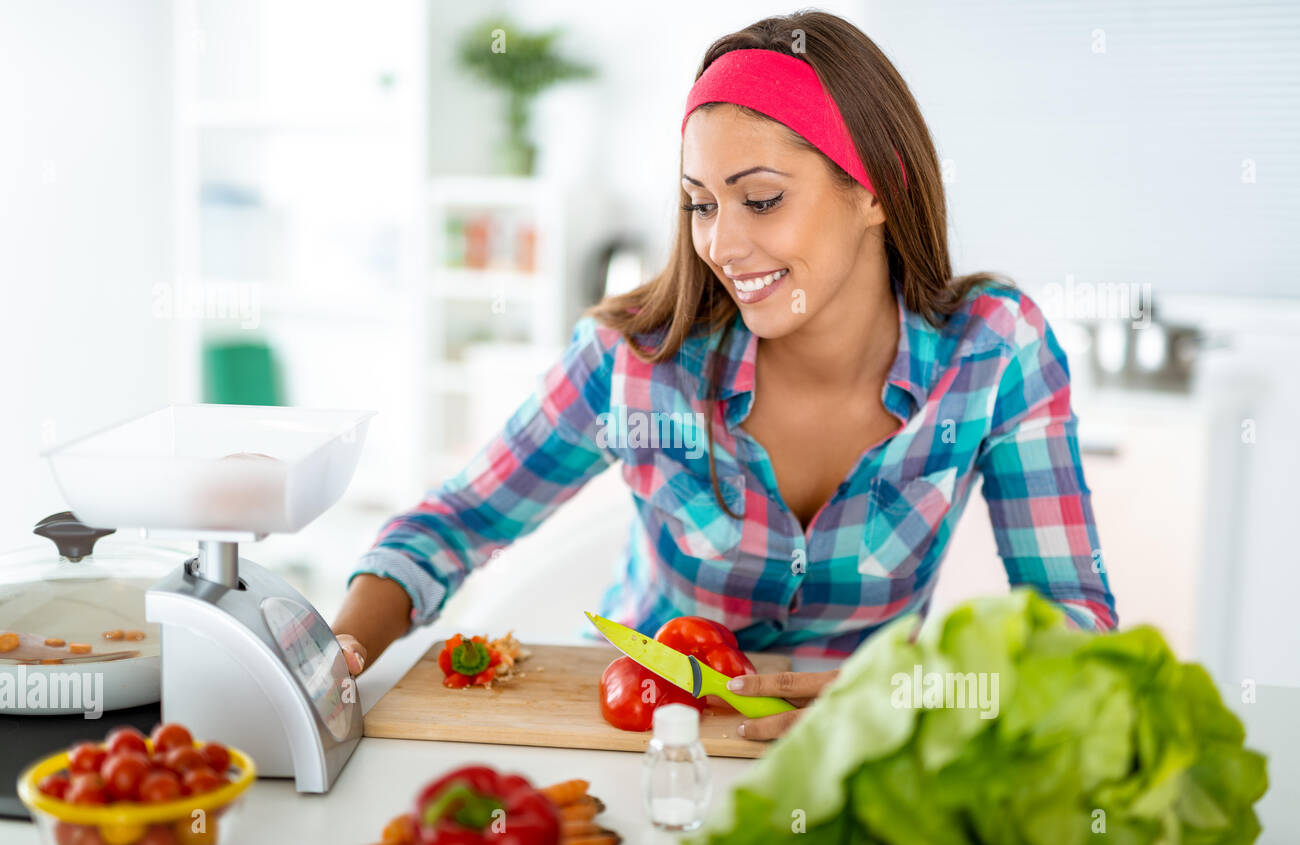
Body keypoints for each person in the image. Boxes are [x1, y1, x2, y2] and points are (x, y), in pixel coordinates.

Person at [332, 11, 1118, 741]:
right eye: (700, 205)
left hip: (857, 750)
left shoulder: (991, 352)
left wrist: (910, 692)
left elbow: (1075, 625)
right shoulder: (633, 363)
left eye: (763, 200)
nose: (723, 245)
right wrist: (335, 660)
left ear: (879, 188)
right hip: (648, 745)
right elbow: (449, 526)